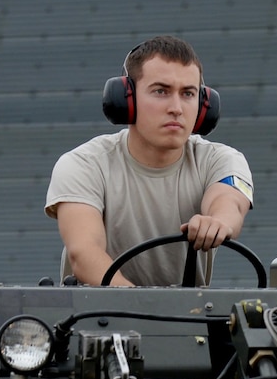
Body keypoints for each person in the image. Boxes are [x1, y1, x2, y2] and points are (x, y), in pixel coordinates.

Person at [47, 36, 254, 287]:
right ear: (126, 100)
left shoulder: (222, 159)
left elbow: (229, 204)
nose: (176, 107)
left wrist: (217, 222)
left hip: (190, 320)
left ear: (204, 106)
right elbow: (84, 253)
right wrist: (144, 307)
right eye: (161, 91)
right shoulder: (83, 164)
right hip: (96, 321)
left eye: (188, 93)